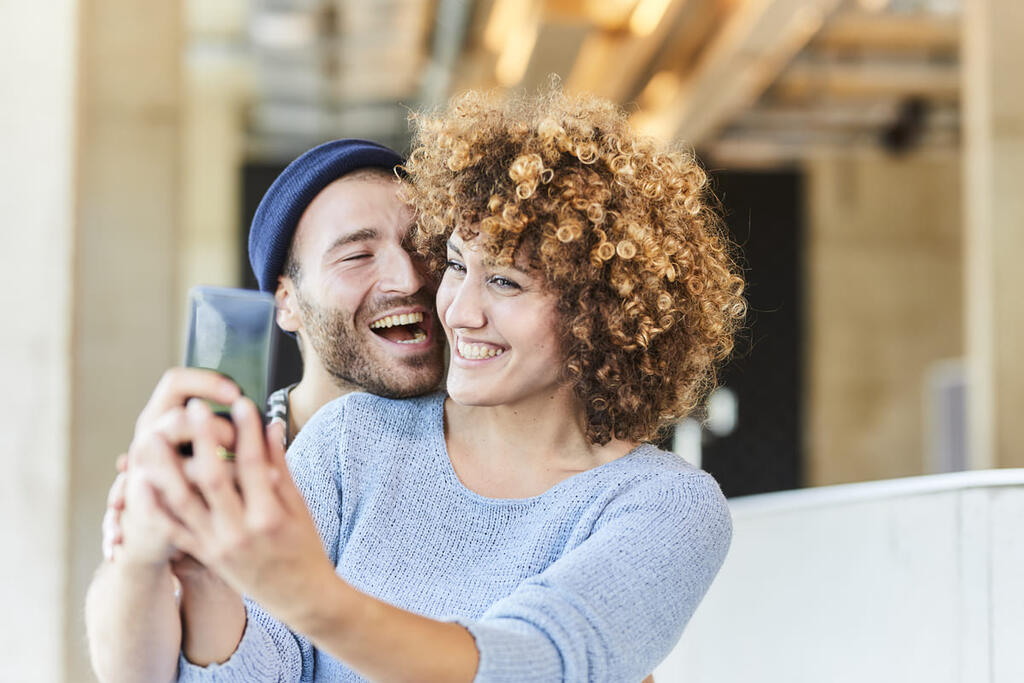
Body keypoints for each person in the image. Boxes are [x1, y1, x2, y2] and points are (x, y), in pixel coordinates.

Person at [98, 88, 745, 681]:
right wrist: (205, 573)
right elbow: (256, 667)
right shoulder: (351, 440)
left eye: (505, 282)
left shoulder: (665, 505)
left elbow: (536, 664)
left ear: (599, 312)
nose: (456, 308)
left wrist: (308, 594)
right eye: (458, 266)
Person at [86, 139, 447, 682]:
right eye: (356, 255)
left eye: (423, 246)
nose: (410, 277)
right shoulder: (223, 458)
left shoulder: (488, 445)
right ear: (287, 302)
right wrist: (141, 553)